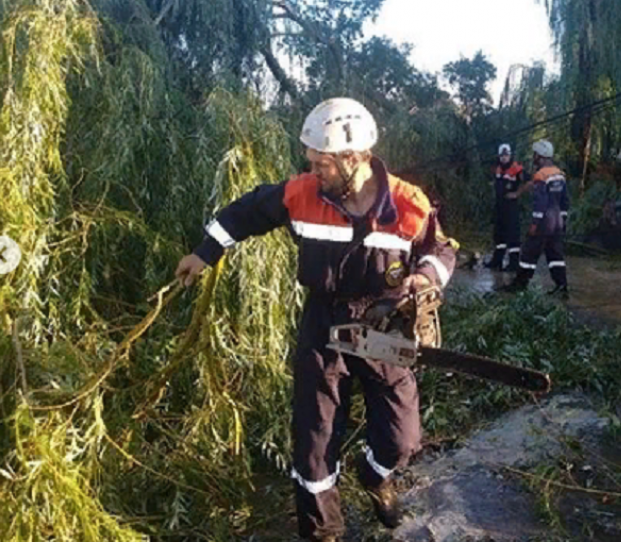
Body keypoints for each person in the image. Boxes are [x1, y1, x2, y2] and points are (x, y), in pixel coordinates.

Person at [174, 98, 457, 542]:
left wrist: (424, 279)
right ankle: (323, 531)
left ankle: (376, 476)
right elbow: (245, 213)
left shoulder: (408, 203)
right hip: (324, 324)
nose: (313, 170)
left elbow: (441, 250)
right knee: (315, 441)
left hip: (384, 324)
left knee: (401, 438)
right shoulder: (301, 193)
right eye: (311, 161)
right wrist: (203, 253)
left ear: (354, 158)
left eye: (322, 163)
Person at [501, 140, 569, 296]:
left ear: (541, 156)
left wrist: (535, 223)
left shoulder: (541, 176)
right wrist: (563, 220)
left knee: (529, 252)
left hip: (545, 221)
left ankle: (520, 284)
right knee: (555, 254)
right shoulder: (559, 175)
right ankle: (562, 286)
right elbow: (565, 201)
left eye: (535, 155)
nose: (533, 158)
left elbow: (540, 203)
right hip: (557, 220)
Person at [486, 143, 527, 271]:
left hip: (511, 207)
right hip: (499, 206)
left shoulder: (517, 168)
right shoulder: (497, 168)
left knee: (513, 235)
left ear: (510, 155)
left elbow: (529, 181)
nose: (504, 157)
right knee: (498, 234)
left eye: (506, 155)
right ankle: (497, 260)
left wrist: (517, 193)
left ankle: (514, 263)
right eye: (502, 155)